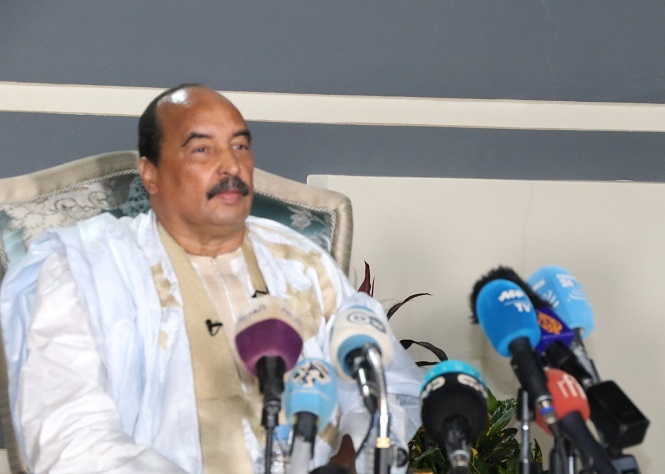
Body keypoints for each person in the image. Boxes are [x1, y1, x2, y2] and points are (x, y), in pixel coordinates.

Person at [0, 84, 423, 473]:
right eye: (202, 149)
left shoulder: (302, 263)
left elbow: (383, 390)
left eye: (240, 145)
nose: (231, 165)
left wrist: (347, 462)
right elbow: (70, 440)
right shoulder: (85, 270)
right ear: (150, 173)